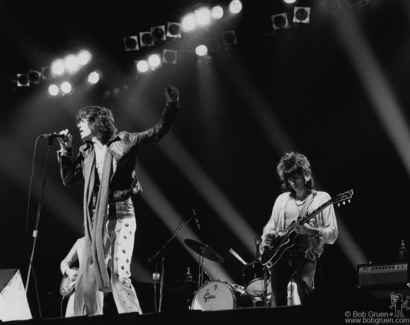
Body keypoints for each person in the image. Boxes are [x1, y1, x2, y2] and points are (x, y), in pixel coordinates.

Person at [56, 84, 180, 315]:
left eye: (82, 121)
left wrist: (171, 105)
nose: (78, 126)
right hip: (97, 219)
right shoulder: (86, 153)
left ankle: (132, 317)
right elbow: (69, 179)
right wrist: (65, 151)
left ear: (96, 122)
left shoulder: (125, 141)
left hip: (122, 215)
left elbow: (158, 131)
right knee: (92, 275)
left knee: (119, 275)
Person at [260, 152, 338, 307]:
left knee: (304, 285)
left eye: (295, 177)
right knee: (276, 294)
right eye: (289, 178)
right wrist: (268, 235)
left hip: (306, 253)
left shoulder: (321, 198)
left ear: (306, 174)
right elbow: (271, 225)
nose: (292, 182)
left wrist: (313, 231)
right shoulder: (282, 200)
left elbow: (333, 233)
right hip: (280, 253)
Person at [60, 237, 104, 317]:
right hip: (77, 286)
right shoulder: (80, 241)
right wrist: (69, 271)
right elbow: (65, 261)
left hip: (95, 286)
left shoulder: (104, 239)